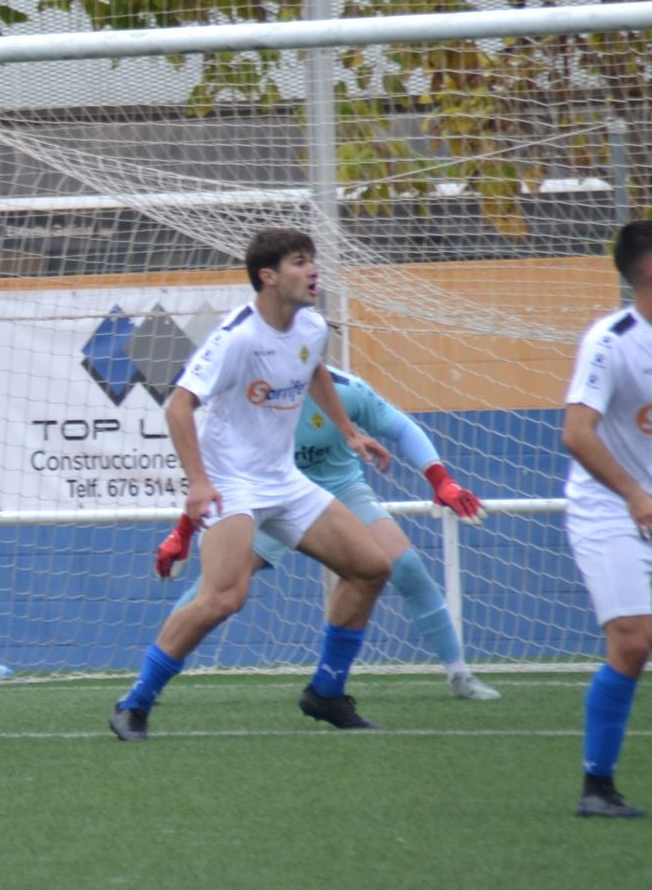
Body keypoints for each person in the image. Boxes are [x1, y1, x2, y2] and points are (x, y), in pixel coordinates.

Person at [108, 228, 393, 742]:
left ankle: (326, 693)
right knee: (223, 598)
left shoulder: (310, 326)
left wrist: (350, 432)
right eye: (300, 262)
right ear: (268, 276)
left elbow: (315, 370)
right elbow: (178, 404)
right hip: (231, 484)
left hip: (283, 480)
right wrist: (198, 484)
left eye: (312, 262)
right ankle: (135, 704)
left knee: (371, 568)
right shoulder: (238, 337)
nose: (313, 272)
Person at [152, 366, 500, 701]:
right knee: (214, 590)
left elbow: (403, 429)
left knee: (406, 566)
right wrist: (182, 533)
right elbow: (216, 467)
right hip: (267, 497)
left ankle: (458, 674)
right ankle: (150, 681)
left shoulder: (346, 389)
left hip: (340, 490)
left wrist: (441, 480)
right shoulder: (249, 400)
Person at [561, 219, 652, 819]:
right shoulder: (611, 340)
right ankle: (598, 787)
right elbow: (576, 433)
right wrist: (633, 495)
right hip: (609, 509)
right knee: (633, 642)